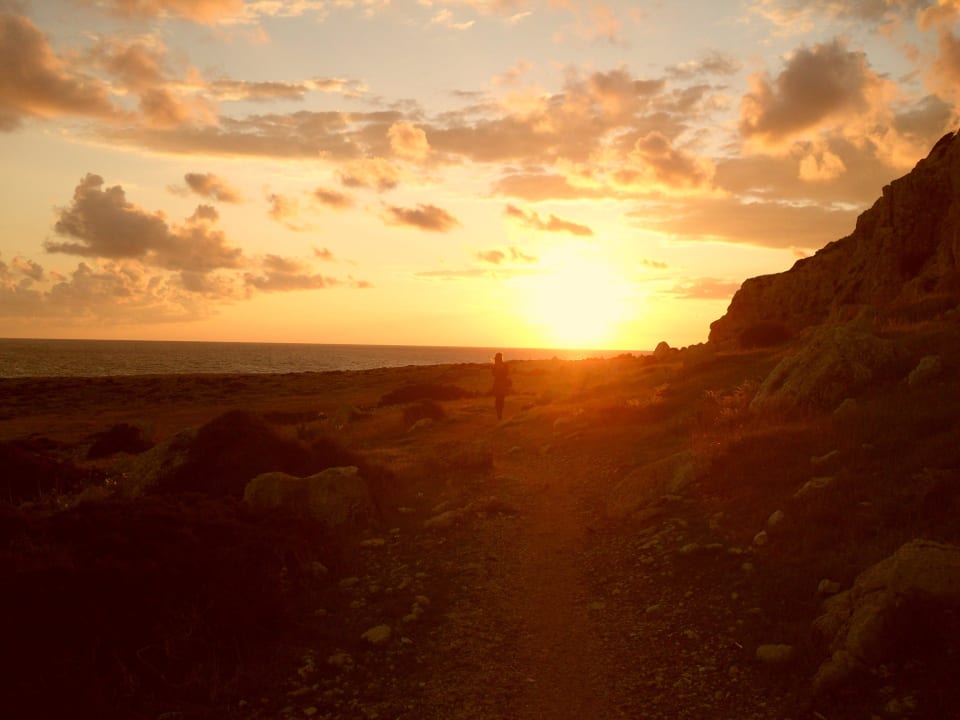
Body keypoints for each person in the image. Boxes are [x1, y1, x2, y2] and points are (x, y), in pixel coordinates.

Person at [491, 352, 511, 420]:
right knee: (499, 400)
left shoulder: (504, 365)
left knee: (500, 400)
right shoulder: (502, 365)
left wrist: (498, 370)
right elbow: (493, 373)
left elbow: (505, 373)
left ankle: (499, 414)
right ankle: (499, 414)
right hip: (500, 384)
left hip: (499, 384)